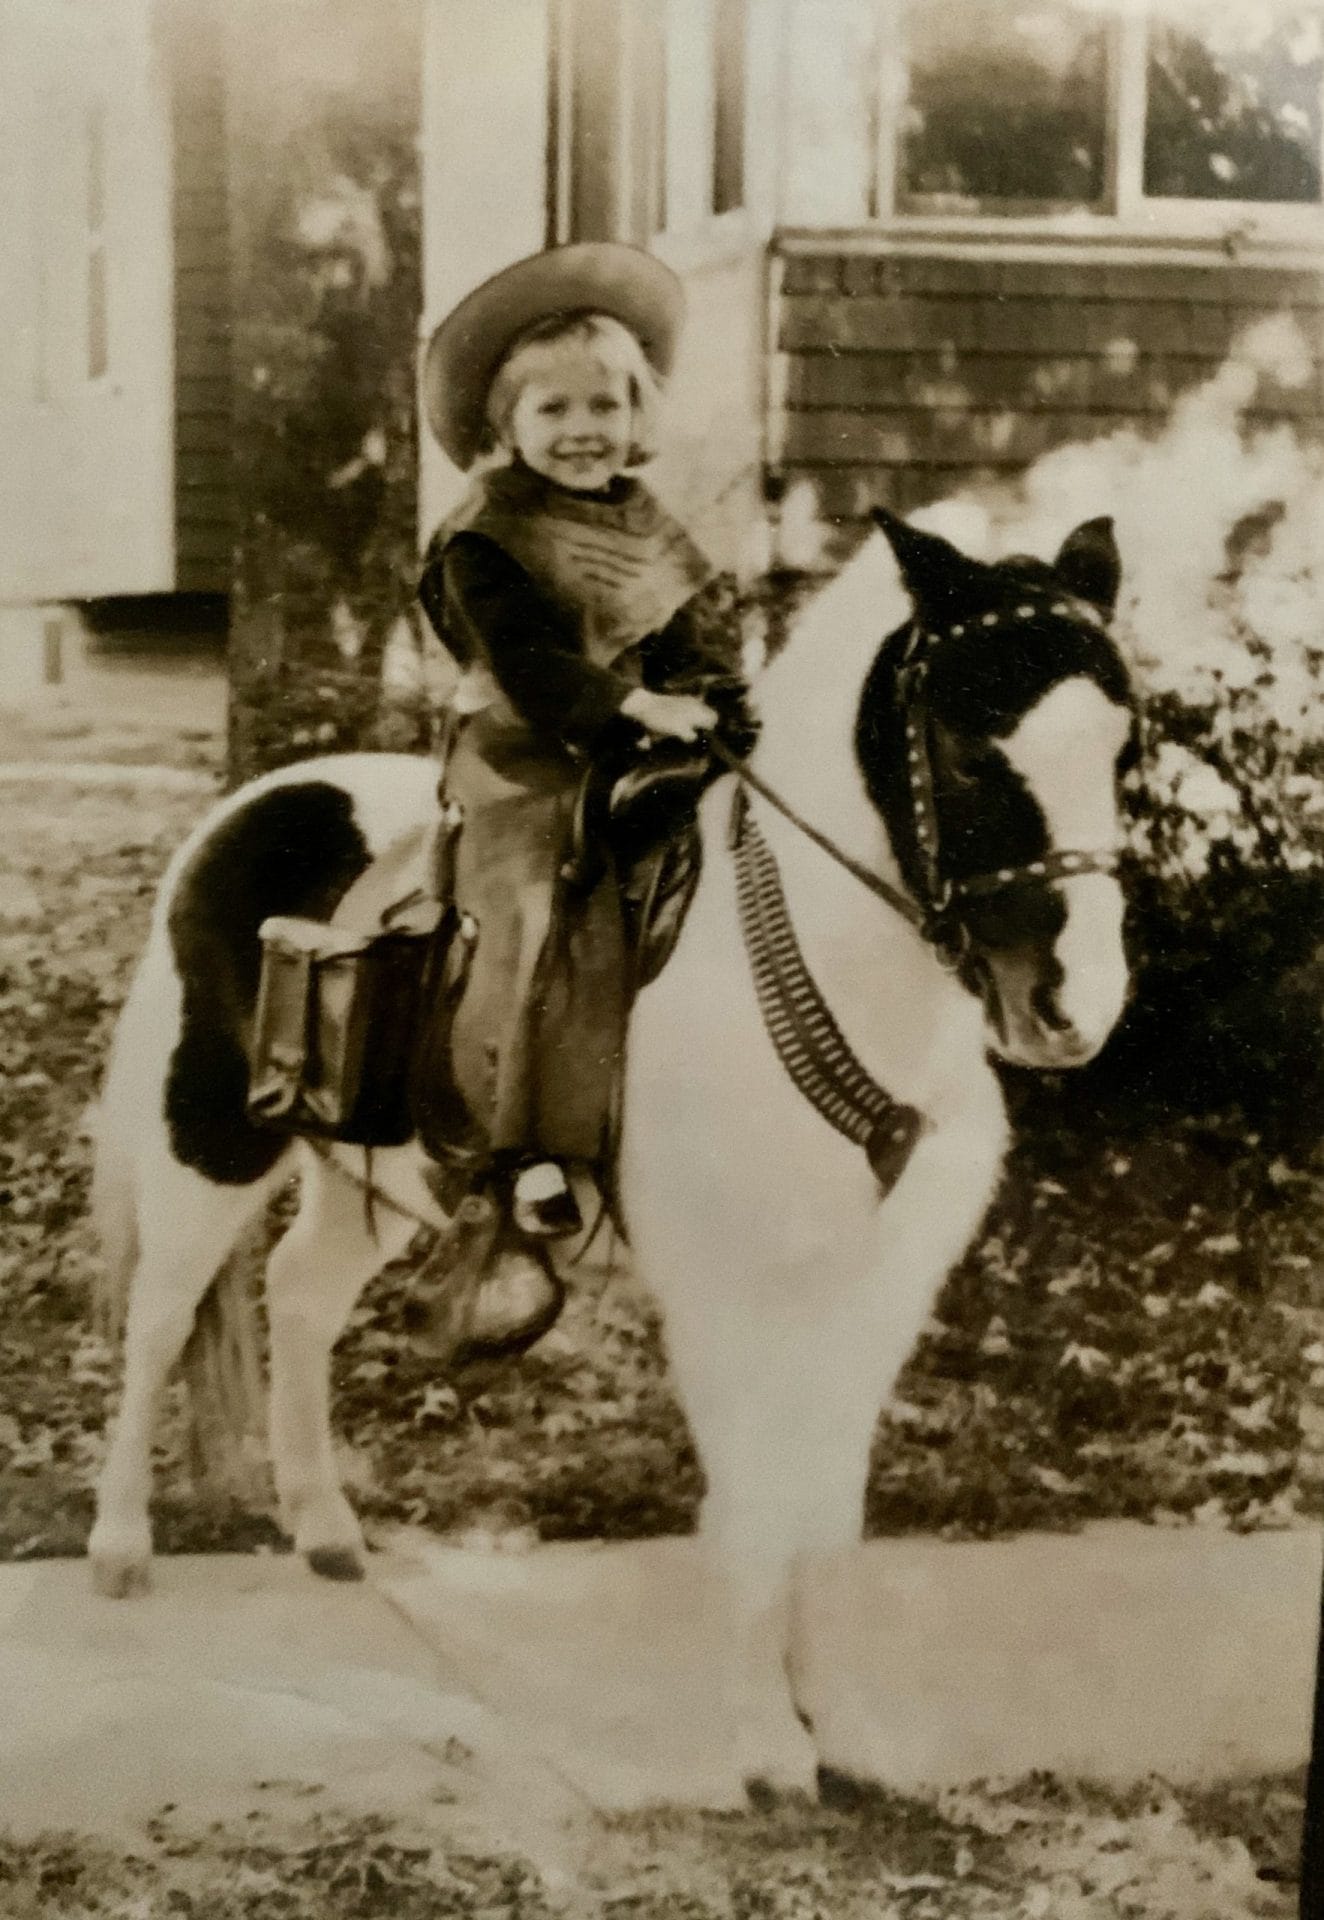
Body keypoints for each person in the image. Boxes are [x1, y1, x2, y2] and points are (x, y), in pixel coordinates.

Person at [413, 242, 754, 1352]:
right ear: (504, 425)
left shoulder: (649, 524)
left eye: (603, 405)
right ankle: (524, 1159)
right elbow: (525, 663)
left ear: (636, 412)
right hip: (525, 753)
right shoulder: (486, 533)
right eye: (551, 408)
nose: (581, 428)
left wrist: (717, 702)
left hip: (654, 749)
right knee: (540, 904)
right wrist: (628, 710)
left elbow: (707, 637)